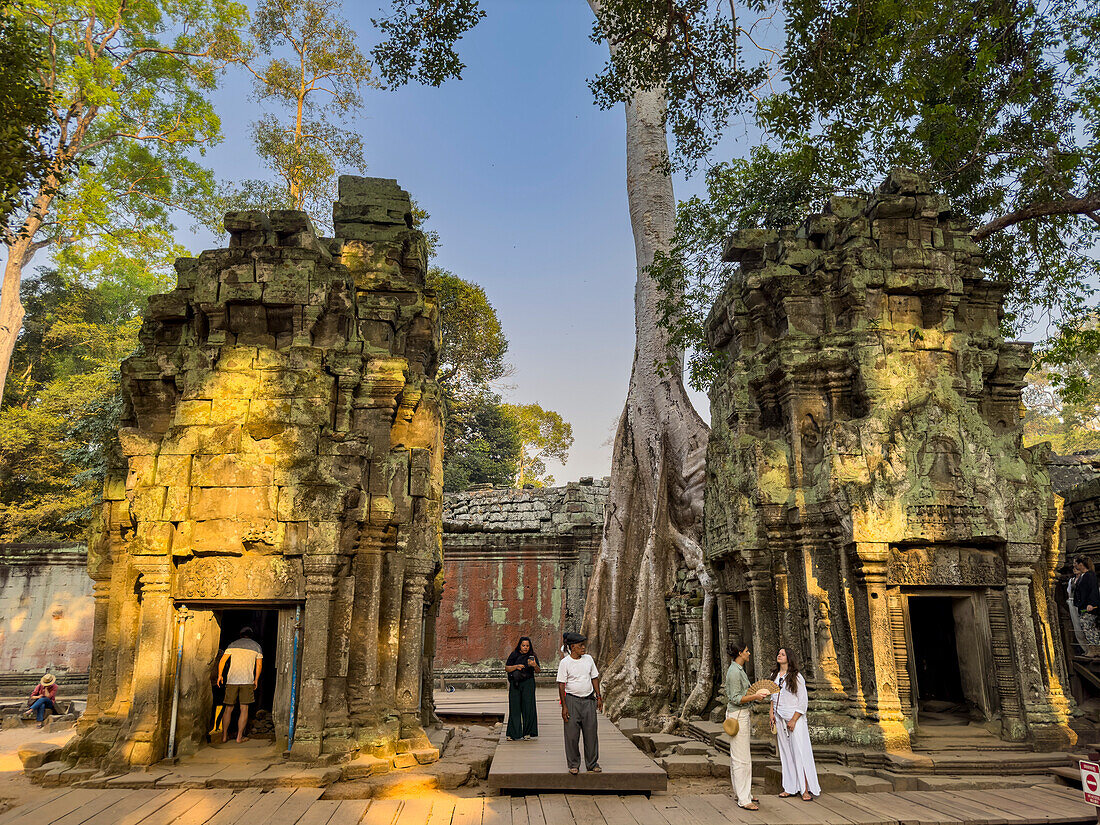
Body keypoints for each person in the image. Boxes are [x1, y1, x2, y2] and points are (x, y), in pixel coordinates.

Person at [770, 647, 820, 801]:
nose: (779, 655)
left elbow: (803, 701)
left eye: (783, 654)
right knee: (786, 754)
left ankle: (805, 789)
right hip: (779, 717)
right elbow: (772, 696)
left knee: (799, 752)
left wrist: (794, 719)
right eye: (779, 653)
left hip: (794, 719)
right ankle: (790, 787)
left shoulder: (797, 677)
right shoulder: (775, 676)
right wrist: (771, 713)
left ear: (789, 658)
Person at [725, 640, 771, 810]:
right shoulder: (734, 672)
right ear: (739, 654)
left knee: (742, 756)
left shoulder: (738, 670)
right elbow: (736, 698)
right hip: (738, 715)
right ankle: (744, 799)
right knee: (741, 758)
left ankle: (744, 793)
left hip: (742, 714)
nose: (749, 653)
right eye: (746, 650)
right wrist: (755, 696)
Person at [556, 631, 602, 775]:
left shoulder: (588, 659)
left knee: (591, 733)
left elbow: (594, 677)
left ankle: (592, 763)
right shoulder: (565, 663)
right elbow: (561, 685)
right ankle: (573, 764)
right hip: (572, 700)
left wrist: (599, 696)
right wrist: (564, 706)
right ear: (573, 647)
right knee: (571, 735)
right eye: (581, 645)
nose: (583, 648)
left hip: (588, 700)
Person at [216, 627, 263, 743]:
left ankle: (224, 736)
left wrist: (220, 675)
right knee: (244, 708)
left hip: (232, 680)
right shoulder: (256, 646)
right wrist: (256, 679)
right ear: (251, 635)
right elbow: (259, 665)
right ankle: (239, 737)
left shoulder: (232, 645)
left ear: (240, 634)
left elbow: (222, 661)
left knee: (228, 708)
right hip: (247, 680)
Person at [505, 636, 541, 740]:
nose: (525, 648)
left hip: (528, 683)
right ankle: (513, 733)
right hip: (515, 683)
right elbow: (507, 668)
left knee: (528, 707)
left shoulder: (532, 656)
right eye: (523, 645)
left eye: (527, 646)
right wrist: (516, 667)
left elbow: (538, 671)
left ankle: (527, 732)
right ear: (520, 646)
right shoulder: (514, 654)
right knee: (515, 707)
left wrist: (534, 665)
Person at [1073, 557, 1100, 650]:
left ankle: (1096, 648)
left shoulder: (1090, 575)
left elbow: (1093, 590)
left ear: (1081, 565)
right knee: (1085, 625)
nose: (1075, 566)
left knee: (1088, 625)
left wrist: (1091, 603)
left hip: (1090, 606)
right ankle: (1092, 648)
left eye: (1077, 564)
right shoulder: (1082, 576)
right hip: (1083, 606)